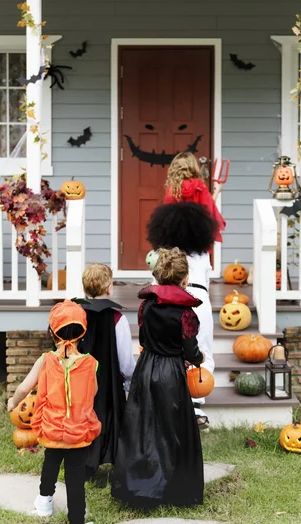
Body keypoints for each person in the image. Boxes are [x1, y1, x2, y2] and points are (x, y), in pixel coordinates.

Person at [111, 247, 205, 508]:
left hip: (147, 368)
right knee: (172, 430)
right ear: (184, 279)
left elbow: (143, 339)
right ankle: (173, 489)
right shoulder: (186, 314)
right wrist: (198, 359)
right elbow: (190, 350)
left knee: (144, 428)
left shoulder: (146, 306)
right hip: (171, 373)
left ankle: (141, 486)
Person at [7, 300, 101, 524]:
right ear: (83, 333)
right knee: (75, 477)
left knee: (50, 467)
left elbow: (24, 387)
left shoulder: (45, 360)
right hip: (78, 433)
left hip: (51, 429)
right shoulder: (91, 363)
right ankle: (77, 518)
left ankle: (44, 504)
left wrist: (13, 401)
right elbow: (94, 391)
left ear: (52, 332)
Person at [147, 201, 218, 429]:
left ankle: (169, 403)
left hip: (165, 297)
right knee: (201, 349)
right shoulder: (203, 254)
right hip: (198, 299)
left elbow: (156, 277)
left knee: (167, 349)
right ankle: (196, 404)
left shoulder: (162, 254)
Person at [74, 263, 135, 476]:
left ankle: (81, 461)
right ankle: (109, 457)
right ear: (109, 287)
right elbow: (125, 358)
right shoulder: (117, 318)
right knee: (107, 418)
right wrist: (128, 381)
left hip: (79, 381)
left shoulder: (75, 314)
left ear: (84, 288)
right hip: (108, 383)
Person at [163, 151, 226, 241]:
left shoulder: (172, 189)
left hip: (177, 240)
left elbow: (167, 218)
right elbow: (208, 210)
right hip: (198, 240)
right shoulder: (199, 186)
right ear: (193, 167)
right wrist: (217, 192)